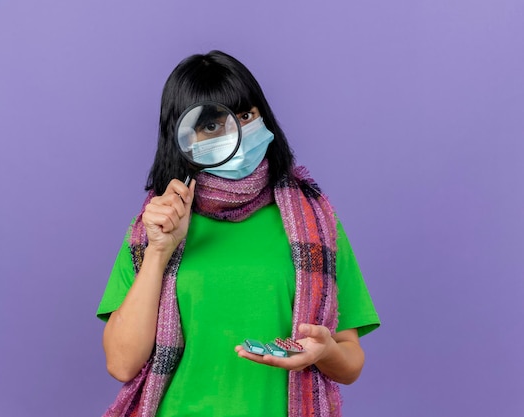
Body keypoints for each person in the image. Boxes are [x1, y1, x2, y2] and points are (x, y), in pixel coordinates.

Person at [96, 50, 380, 417]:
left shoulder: (316, 222)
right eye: (211, 126)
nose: (237, 133)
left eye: (245, 115)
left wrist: (325, 352)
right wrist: (159, 251)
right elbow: (121, 364)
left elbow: (351, 362)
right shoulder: (157, 225)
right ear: (183, 137)